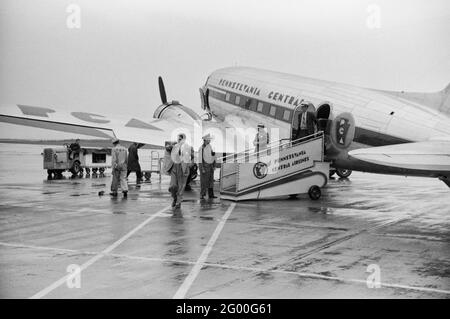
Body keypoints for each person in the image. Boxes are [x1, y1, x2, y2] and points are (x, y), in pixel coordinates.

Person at [168, 133, 191, 209]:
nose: (178, 140)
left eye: (180, 139)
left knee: (181, 187)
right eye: (178, 139)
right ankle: (174, 197)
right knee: (172, 186)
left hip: (182, 168)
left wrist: (188, 166)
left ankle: (178, 201)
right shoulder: (175, 146)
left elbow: (189, 157)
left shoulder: (187, 147)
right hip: (174, 167)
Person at [198, 134, 217, 200]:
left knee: (211, 181)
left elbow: (213, 155)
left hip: (210, 166)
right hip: (205, 167)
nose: (210, 140)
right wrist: (202, 168)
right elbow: (200, 159)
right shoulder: (202, 148)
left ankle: (211, 194)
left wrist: (214, 165)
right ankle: (202, 194)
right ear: (205, 140)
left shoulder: (210, 146)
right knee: (203, 181)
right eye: (208, 139)